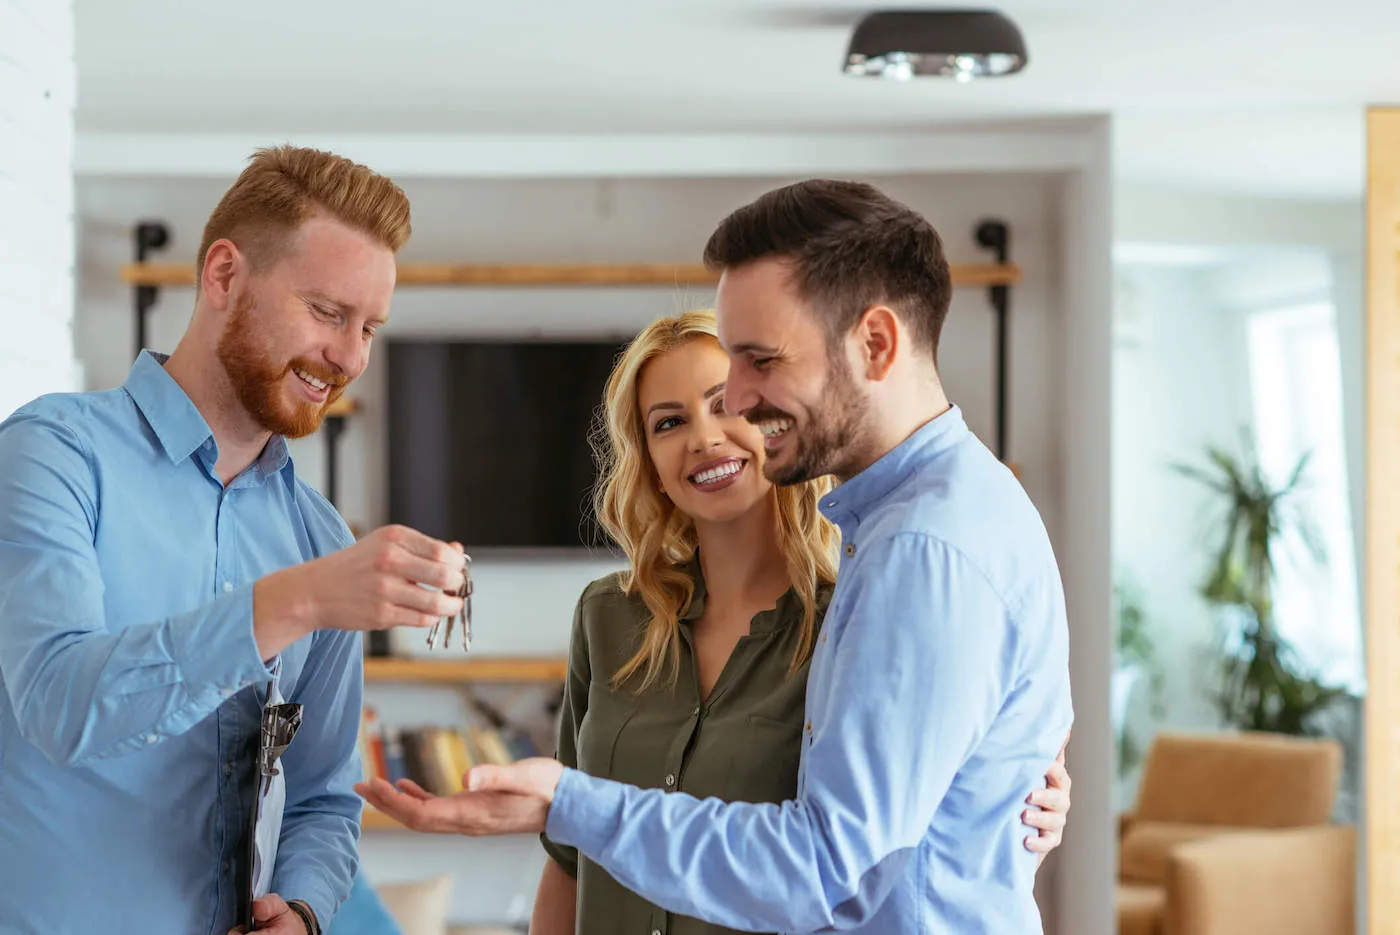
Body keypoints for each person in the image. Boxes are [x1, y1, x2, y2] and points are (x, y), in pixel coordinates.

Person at [361, 294, 1074, 933]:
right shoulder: (607, 617)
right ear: (650, 459)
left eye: (723, 404)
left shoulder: (857, 615)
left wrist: (1031, 785)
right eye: (669, 422)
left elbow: (894, 819)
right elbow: (569, 858)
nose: (702, 437)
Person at [0, 145, 468, 935]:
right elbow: (60, 703)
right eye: (327, 312)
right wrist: (294, 599)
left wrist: (308, 907)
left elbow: (322, 793)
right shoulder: (52, 452)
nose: (351, 357)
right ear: (224, 276)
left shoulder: (318, 533)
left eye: (369, 327)